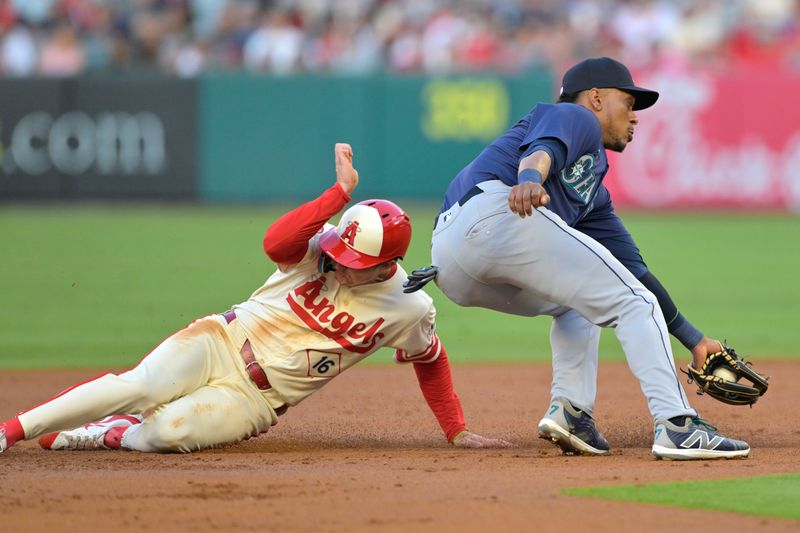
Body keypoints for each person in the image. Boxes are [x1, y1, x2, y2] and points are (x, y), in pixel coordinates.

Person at [0, 143, 510, 454]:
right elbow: (274, 242)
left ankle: (111, 434)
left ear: (386, 265)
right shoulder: (320, 248)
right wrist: (338, 194)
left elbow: (431, 360)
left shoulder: (409, 307)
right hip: (222, 337)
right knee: (140, 384)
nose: (339, 264)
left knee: (165, 435)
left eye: (355, 264)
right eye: (341, 252)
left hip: (256, 401)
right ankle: (11, 430)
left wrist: (457, 431)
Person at [426, 57, 749, 460]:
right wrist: (529, 181)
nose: (634, 117)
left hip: (452, 262)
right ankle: (677, 425)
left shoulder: (592, 191)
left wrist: (694, 339)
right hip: (496, 212)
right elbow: (540, 151)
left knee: (584, 301)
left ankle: (571, 413)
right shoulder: (576, 117)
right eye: (628, 103)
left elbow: (634, 272)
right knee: (635, 304)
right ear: (596, 98)